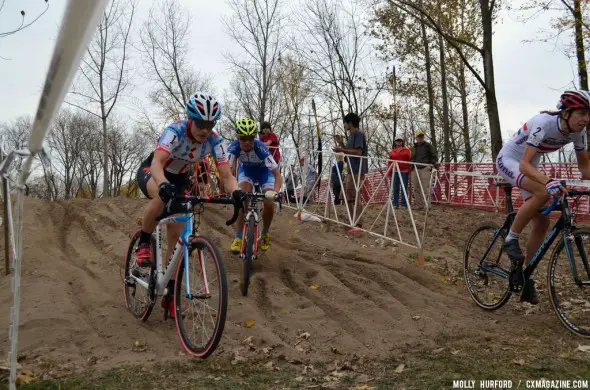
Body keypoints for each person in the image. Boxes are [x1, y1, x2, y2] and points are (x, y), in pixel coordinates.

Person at [134, 92, 242, 318]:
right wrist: (162, 183)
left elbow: (226, 176)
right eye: (201, 123)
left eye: (210, 124)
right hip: (154, 172)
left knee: (178, 244)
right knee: (162, 199)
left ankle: (171, 297)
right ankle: (144, 241)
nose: (205, 129)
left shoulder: (215, 141)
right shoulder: (174, 131)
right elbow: (157, 162)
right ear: (191, 119)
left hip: (180, 178)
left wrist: (238, 192)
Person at [496, 90, 590, 305]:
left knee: (543, 221)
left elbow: (585, 167)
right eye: (582, 113)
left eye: (589, 115)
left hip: (530, 166)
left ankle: (525, 274)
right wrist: (547, 181)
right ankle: (511, 239)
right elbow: (524, 165)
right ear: (566, 113)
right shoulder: (544, 123)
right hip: (511, 160)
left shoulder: (578, 132)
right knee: (542, 192)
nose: (586, 119)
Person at [228, 117, 283, 253]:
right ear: (237, 137)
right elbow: (227, 173)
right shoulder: (233, 147)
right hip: (247, 171)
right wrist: (231, 189)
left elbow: (277, 175)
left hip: (265, 172)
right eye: (243, 138)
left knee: (269, 202)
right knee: (241, 198)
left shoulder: (261, 148)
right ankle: (239, 237)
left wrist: (275, 192)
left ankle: (265, 233)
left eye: (250, 139)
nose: (247, 142)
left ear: (254, 138)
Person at [333, 112, 368, 234]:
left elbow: (358, 152)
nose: (344, 126)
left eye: (345, 123)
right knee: (347, 196)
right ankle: (353, 221)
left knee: (355, 196)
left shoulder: (358, 134)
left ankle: (358, 224)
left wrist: (341, 149)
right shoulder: (352, 136)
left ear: (350, 123)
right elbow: (348, 151)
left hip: (357, 170)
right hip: (350, 170)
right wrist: (341, 143)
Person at [410, 131, 437, 210]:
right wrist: (411, 166)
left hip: (425, 168)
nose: (420, 138)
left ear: (423, 137)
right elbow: (411, 157)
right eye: (419, 136)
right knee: (415, 188)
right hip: (415, 169)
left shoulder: (429, 146)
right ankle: (419, 205)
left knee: (425, 188)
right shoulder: (413, 147)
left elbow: (434, 156)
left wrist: (431, 165)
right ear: (416, 138)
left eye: (421, 136)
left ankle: (426, 205)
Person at [388, 137, 412, 208]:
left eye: (400, 141)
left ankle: (404, 204)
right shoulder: (392, 151)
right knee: (395, 188)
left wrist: (410, 172)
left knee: (404, 187)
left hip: (404, 171)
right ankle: (395, 203)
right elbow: (390, 162)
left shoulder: (407, 150)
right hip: (395, 171)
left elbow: (410, 162)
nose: (398, 142)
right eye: (397, 141)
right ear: (395, 142)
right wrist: (389, 173)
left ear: (402, 142)